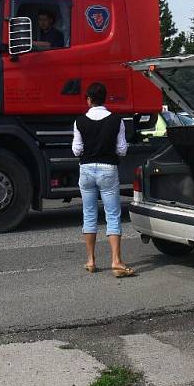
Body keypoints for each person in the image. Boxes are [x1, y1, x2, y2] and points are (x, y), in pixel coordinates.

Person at [72, 82, 134, 278]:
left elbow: (76, 150)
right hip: (108, 169)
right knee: (113, 215)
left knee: (89, 214)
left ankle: (90, 261)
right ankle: (116, 261)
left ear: (89, 99)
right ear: (105, 98)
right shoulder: (117, 120)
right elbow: (122, 149)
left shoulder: (79, 121)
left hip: (87, 170)